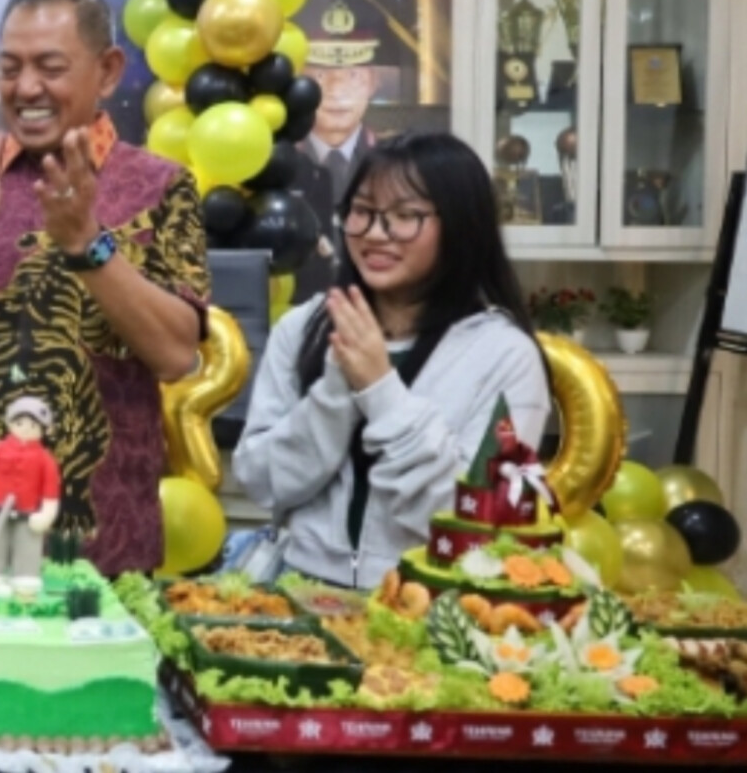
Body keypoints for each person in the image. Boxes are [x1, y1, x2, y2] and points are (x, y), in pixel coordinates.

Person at [0, 0, 208, 576]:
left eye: (50, 68)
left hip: (101, 550)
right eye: (10, 68)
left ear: (107, 72)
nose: (26, 88)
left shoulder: (161, 187)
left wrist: (88, 246)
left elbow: (175, 354)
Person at [232, 131, 550, 590]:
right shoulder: (303, 328)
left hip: (427, 601)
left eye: (405, 216)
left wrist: (380, 389)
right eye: (363, 211)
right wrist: (336, 390)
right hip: (300, 593)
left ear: (461, 225)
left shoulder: (505, 355)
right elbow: (263, 482)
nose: (376, 234)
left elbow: (472, 518)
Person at [289, 1, 382, 302]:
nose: (336, 91)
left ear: (373, 83)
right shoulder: (280, 164)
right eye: (320, 76)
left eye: (353, 76)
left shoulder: (390, 163)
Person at [0, 395, 61, 596]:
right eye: (20, 423)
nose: (26, 429)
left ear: (43, 429)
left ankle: (25, 575)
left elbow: (50, 494)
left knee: (28, 545)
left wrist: (46, 515)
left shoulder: (46, 460)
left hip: (28, 516)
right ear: (10, 423)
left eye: (33, 425)